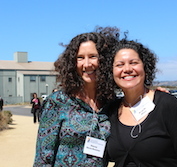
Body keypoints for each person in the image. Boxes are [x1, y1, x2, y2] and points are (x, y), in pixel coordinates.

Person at [100, 39, 177, 166]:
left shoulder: (167, 105)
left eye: (133, 62)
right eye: (120, 65)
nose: (127, 69)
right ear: (111, 72)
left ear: (145, 67)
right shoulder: (111, 110)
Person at [33, 27, 119, 166]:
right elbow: (43, 158)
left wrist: (154, 94)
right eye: (80, 58)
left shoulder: (112, 103)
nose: (87, 64)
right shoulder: (57, 102)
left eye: (93, 56)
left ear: (105, 60)